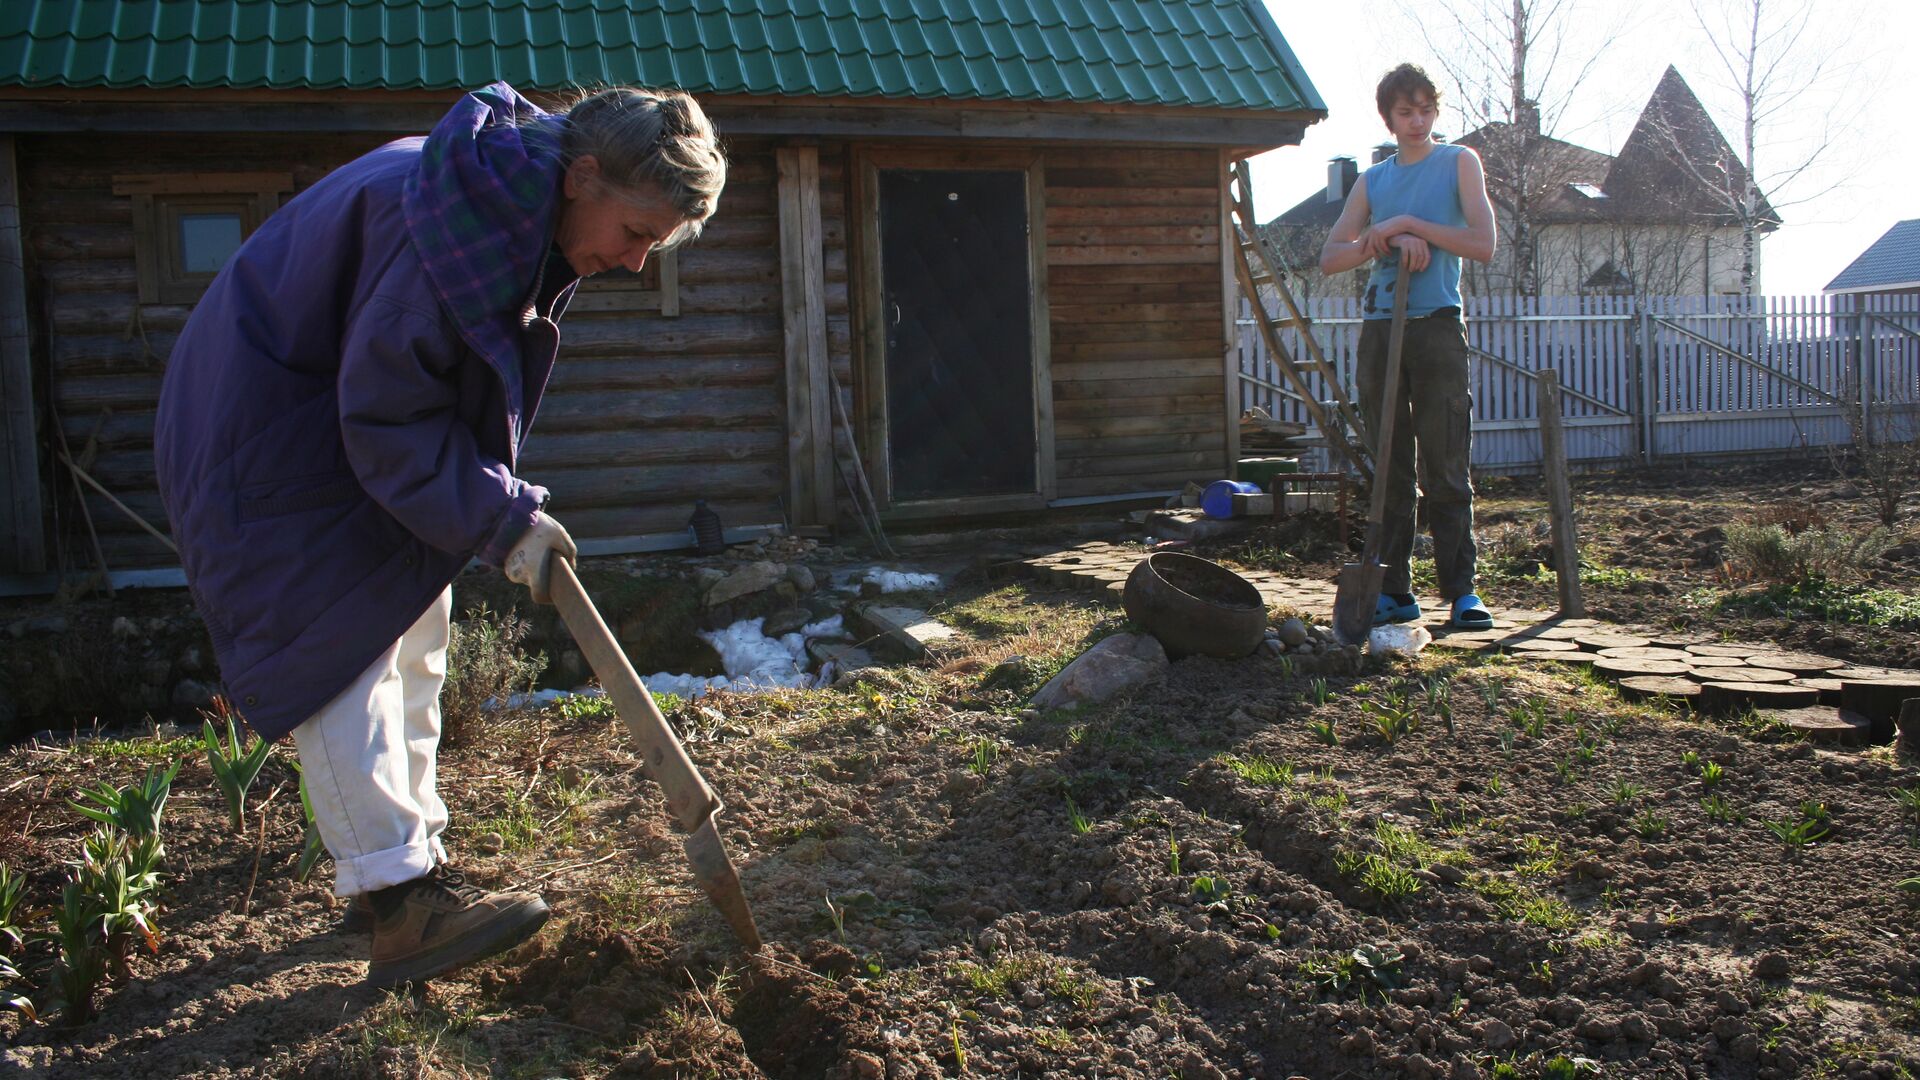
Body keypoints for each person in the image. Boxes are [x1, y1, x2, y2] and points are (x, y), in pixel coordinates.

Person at [153, 83, 726, 987]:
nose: (635, 262)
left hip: (322, 422)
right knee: (346, 652)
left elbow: (412, 397)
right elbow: (387, 422)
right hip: (265, 437)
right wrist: (501, 518)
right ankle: (399, 908)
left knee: (415, 626)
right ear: (582, 177)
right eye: (638, 233)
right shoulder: (452, 229)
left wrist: (502, 511)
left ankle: (407, 876)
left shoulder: (495, 204)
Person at [1319, 63, 1498, 629]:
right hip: (1381, 327)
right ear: (1388, 118)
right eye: (1405, 112)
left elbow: (1483, 243)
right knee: (1391, 464)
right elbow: (1331, 258)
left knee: (1445, 460)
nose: (1418, 121)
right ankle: (1394, 588)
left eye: (1426, 109)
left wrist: (1411, 225)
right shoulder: (1373, 180)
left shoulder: (1459, 163)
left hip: (1437, 326)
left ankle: (1462, 591)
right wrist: (1384, 237)